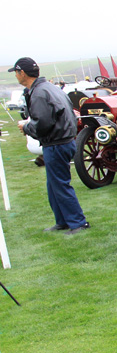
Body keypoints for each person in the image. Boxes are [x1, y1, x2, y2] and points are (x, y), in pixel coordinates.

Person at [9, 57, 89, 235]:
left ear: (22, 72)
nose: (15, 75)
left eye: (16, 72)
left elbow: (43, 123)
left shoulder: (38, 93)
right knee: (53, 185)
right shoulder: (49, 88)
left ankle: (78, 223)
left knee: (60, 184)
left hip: (56, 143)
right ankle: (62, 221)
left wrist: (26, 127)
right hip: (63, 140)